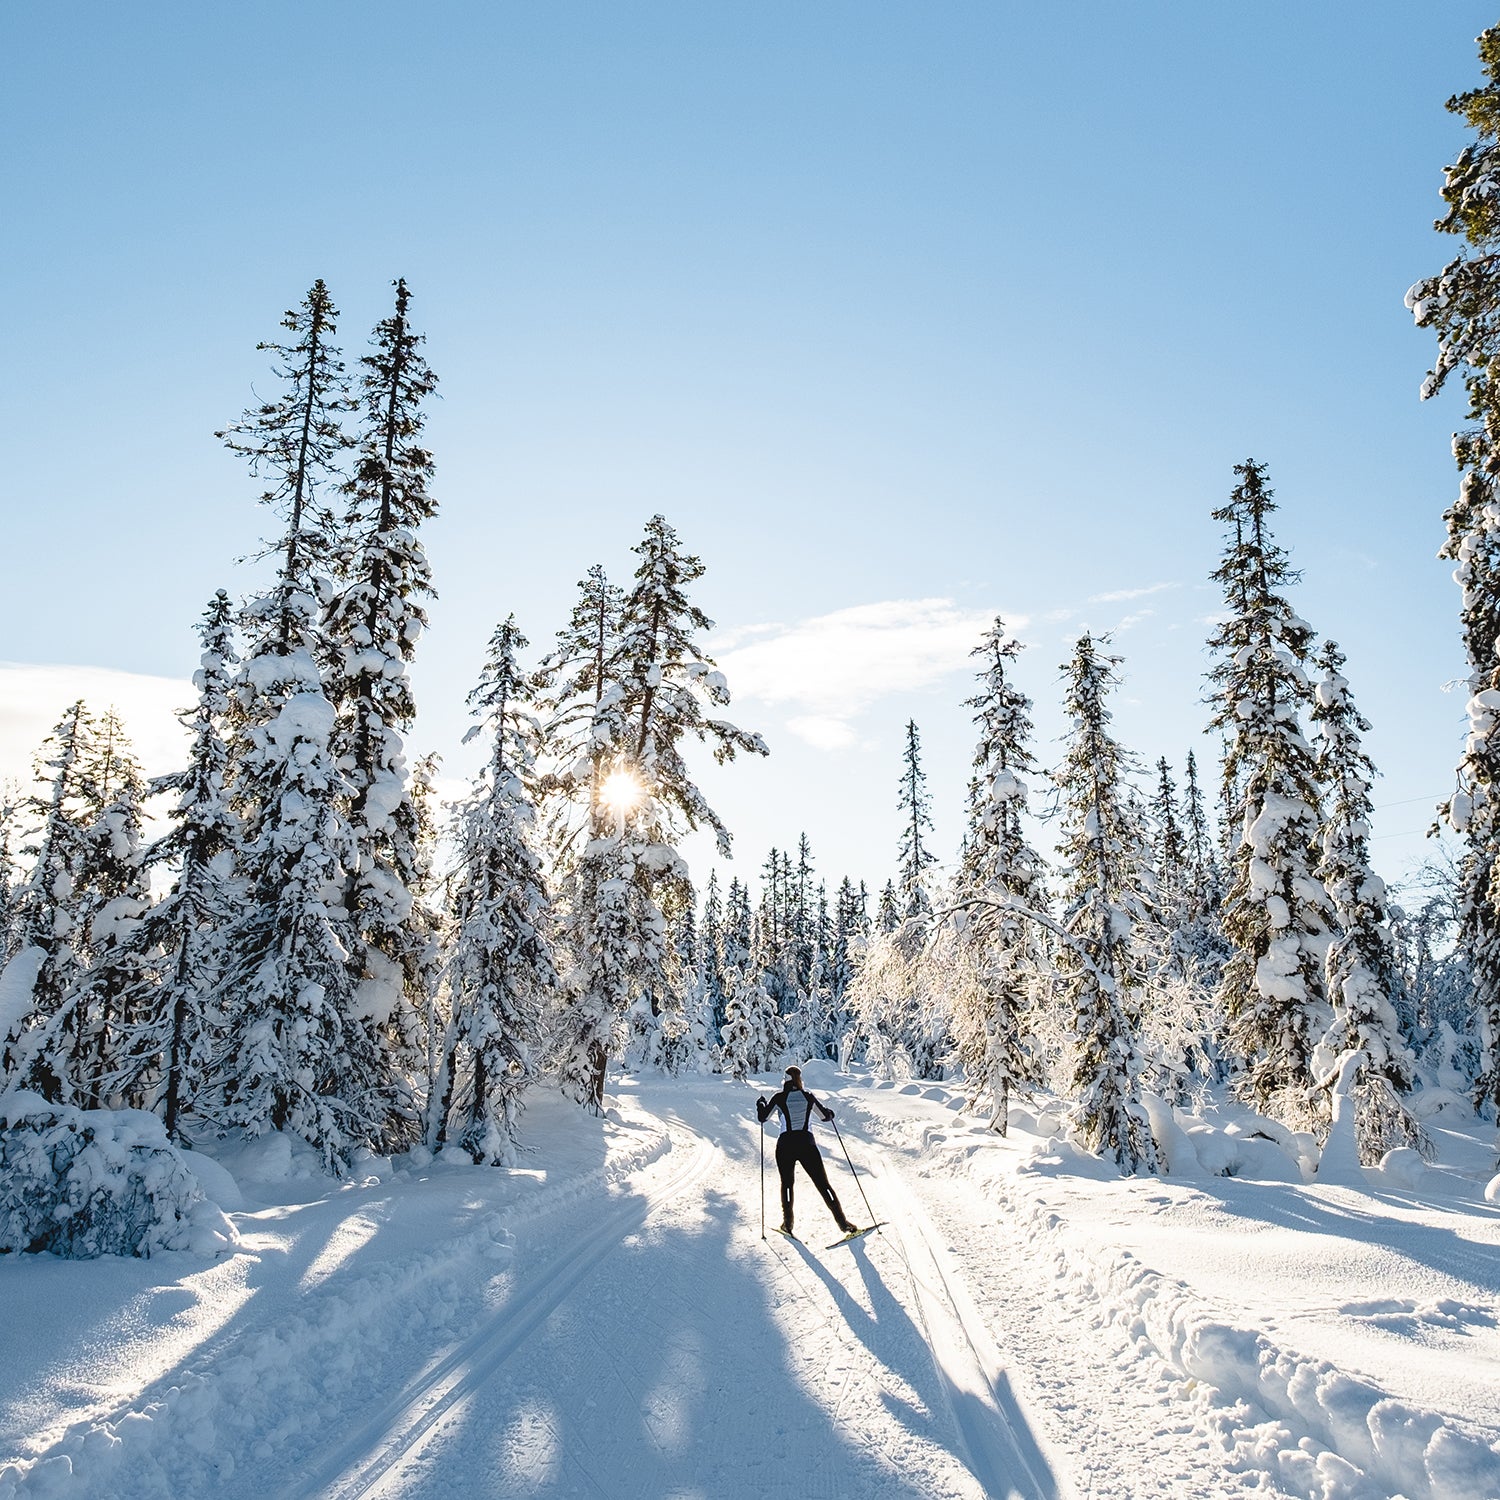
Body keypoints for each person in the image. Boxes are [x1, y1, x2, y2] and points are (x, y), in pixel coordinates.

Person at [756, 1065, 859, 1238]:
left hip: (785, 1145)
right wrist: (831, 1113)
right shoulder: (808, 1097)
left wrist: (761, 1105)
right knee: (823, 1185)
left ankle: (788, 1224)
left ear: (785, 1080)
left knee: (787, 1184)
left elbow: (763, 1118)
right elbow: (825, 1116)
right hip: (807, 1145)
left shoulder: (779, 1098)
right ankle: (843, 1223)